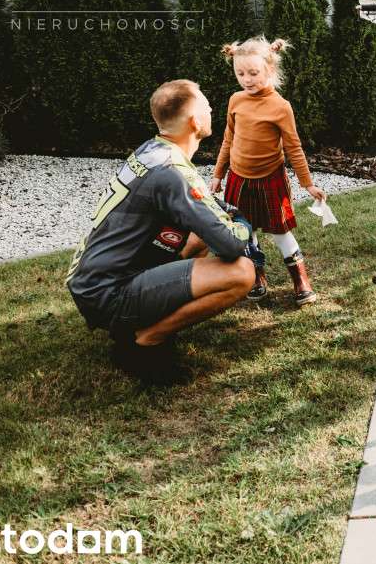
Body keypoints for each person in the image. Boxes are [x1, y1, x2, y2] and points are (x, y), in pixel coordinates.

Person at [66, 80, 257, 384]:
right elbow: (231, 243)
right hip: (108, 293)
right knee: (242, 273)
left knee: (199, 236)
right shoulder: (171, 171)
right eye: (206, 105)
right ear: (195, 122)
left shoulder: (152, 150)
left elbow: (197, 213)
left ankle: (140, 318)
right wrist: (244, 222)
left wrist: (220, 214)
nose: (211, 109)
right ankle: (145, 340)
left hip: (93, 281)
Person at [209, 37, 326, 306]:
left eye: (253, 73)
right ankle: (256, 276)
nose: (246, 80)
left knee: (279, 231)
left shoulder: (280, 107)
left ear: (270, 70)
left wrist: (308, 184)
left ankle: (300, 280)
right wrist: (218, 174)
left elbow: (294, 148)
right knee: (245, 231)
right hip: (239, 180)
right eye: (240, 73)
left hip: (270, 179)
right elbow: (228, 139)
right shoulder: (236, 100)